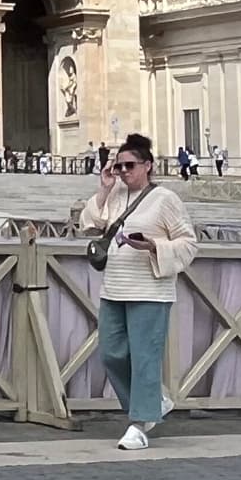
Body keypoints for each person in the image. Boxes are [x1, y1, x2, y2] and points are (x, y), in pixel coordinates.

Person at [79, 134, 198, 451]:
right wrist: (103, 189)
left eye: (129, 165)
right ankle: (152, 401)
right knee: (111, 353)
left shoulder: (166, 200)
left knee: (145, 357)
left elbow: (188, 244)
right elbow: (88, 224)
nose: (123, 172)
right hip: (114, 287)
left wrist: (154, 246)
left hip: (150, 289)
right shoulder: (115, 194)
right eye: (118, 166)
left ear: (148, 165)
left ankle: (138, 424)